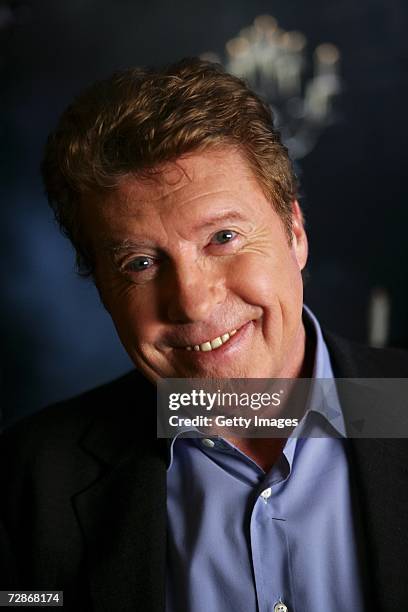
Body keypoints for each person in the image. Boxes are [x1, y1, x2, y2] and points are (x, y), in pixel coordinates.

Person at [1, 58, 408, 612]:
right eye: (141, 264)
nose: (191, 301)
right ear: (101, 287)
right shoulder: (28, 481)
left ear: (294, 233)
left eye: (222, 237)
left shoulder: (399, 406)